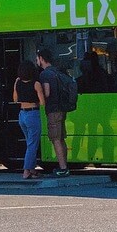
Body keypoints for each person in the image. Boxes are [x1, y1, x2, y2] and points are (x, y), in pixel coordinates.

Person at [35, 48, 70, 177]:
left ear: (42, 59)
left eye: (37, 58)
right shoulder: (57, 71)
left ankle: (63, 167)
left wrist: (39, 98)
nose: (37, 61)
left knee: (55, 139)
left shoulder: (45, 74)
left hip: (53, 110)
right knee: (61, 138)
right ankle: (64, 165)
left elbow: (47, 93)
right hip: (62, 109)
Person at [14, 60, 44, 180]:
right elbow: (42, 102)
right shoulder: (36, 84)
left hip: (22, 114)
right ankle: (26, 171)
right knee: (32, 144)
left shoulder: (17, 82)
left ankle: (32, 169)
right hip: (33, 113)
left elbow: (15, 99)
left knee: (29, 142)